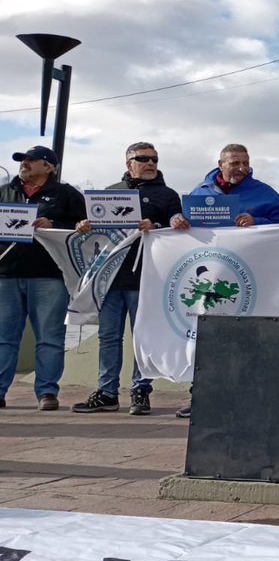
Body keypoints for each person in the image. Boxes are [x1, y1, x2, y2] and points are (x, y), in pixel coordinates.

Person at [169, 144, 279, 417]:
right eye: (235, 162)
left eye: (245, 162)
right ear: (220, 163)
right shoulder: (200, 193)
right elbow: (183, 223)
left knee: (245, 337)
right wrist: (175, 219)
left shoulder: (265, 192)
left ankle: (242, 397)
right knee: (203, 336)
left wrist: (256, 219)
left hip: (249, 278)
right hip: (207, 277)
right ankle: (200, 396)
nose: (241, 167)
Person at [72, 142, 181, 417]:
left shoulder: (168, 195)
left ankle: (140, 390)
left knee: (142, 338)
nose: (150, 163)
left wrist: (156, 227)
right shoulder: (108, 193)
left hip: (146, 277)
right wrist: (84, 225)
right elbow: (93, 229)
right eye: (142, 158)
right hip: (109, 277)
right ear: (128, 163)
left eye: (154, 159)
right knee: (109, 337)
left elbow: (180, 230)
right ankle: (107, 392)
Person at [0, 146, 86, 411]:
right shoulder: (4, 192)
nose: (24, 163)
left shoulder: (68, 195)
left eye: (31, 160)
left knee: (49, 336)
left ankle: (47, 392)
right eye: (22, 160)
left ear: (49, 167)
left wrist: (55, 224)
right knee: (4, 337)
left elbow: (85, 229)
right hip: (5, 276)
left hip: (49, 276)